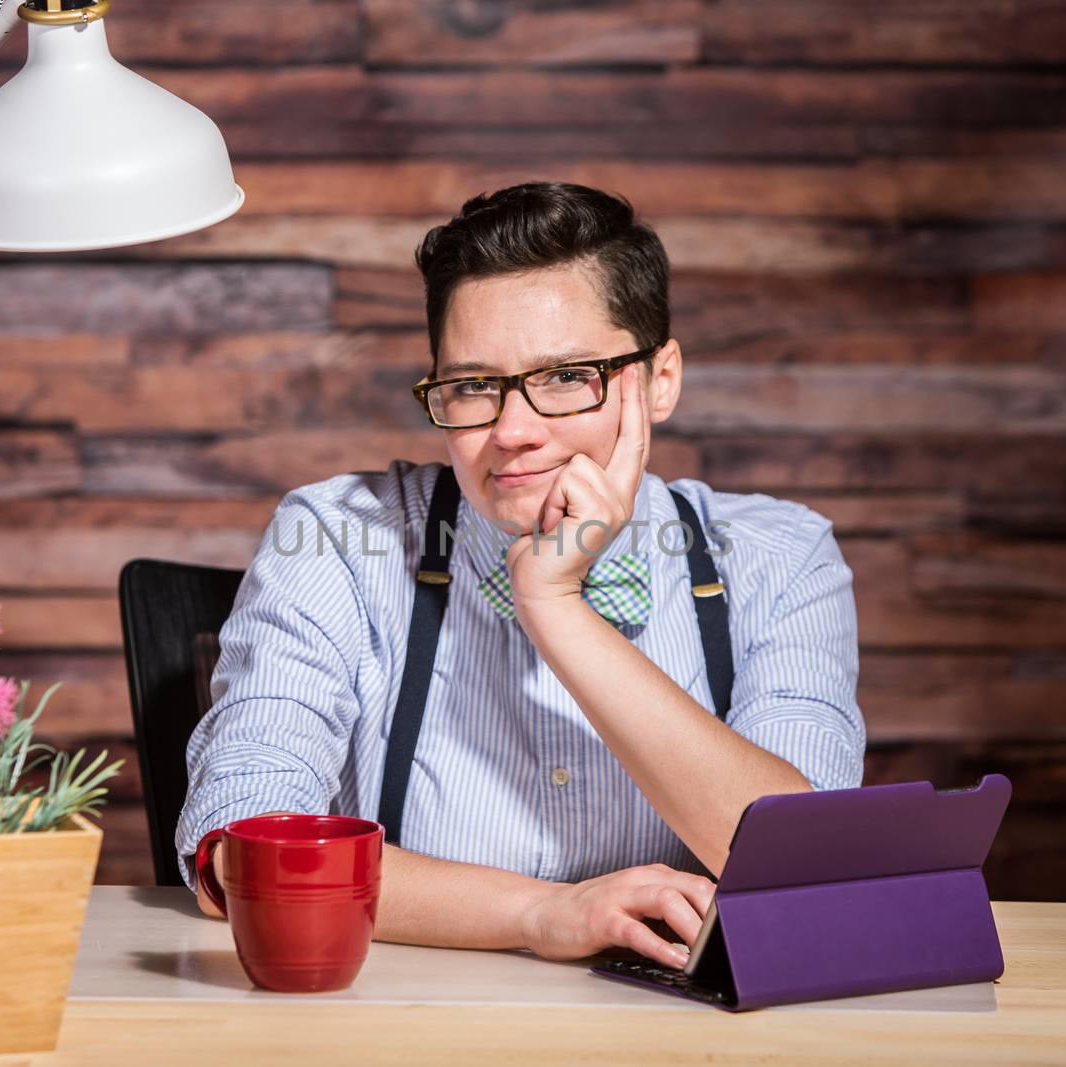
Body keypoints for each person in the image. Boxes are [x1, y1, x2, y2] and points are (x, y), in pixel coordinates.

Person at [178, 182, 863, 970]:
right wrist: (540, 912)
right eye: (472, 386)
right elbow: (238, 855)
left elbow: (810, 871)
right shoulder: (336, 538)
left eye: (567, 376)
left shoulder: (781, 557)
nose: (511, 432)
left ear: (660, 380)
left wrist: (557, 606)